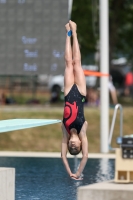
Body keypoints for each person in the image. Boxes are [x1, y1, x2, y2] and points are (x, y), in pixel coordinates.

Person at [61, 20, 88, 180]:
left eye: (71, 148)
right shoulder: (82, 132)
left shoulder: (65, 132)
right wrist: (78, 173)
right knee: (76, 63)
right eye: (75, 148)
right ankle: (75, 32)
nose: (72, 146)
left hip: (68, 92)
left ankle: (68, 33)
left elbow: (63, 157)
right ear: (80, 145)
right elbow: (85, 157)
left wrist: (69, 171)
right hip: (81, 92)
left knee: (67, 64)